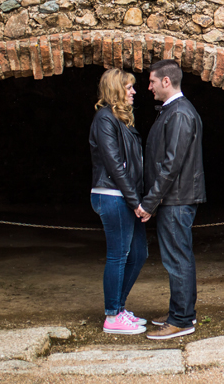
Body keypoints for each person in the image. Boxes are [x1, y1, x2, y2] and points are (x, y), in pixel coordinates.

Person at [136, 59, 206, 340]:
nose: (149, 87)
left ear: (167, 81)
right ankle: (182, 311)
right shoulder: (174, 110)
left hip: (176, 200)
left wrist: (149, 202)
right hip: (174, 198)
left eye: (152, 81)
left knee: (177, 259)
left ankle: (181, 320)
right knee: (179, 257)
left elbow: (171, 164)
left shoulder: (179, 113)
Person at [89, 68, 148, 335]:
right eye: (128, 87)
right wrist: (136, 201)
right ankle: (112, 316)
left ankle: (119, 308)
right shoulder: (104, 119)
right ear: (115, 89)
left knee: (139, 253)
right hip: (113, 196)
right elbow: (115, 165)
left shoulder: (120, 120)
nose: (134, 91)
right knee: (119, 255)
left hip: (125, 196)